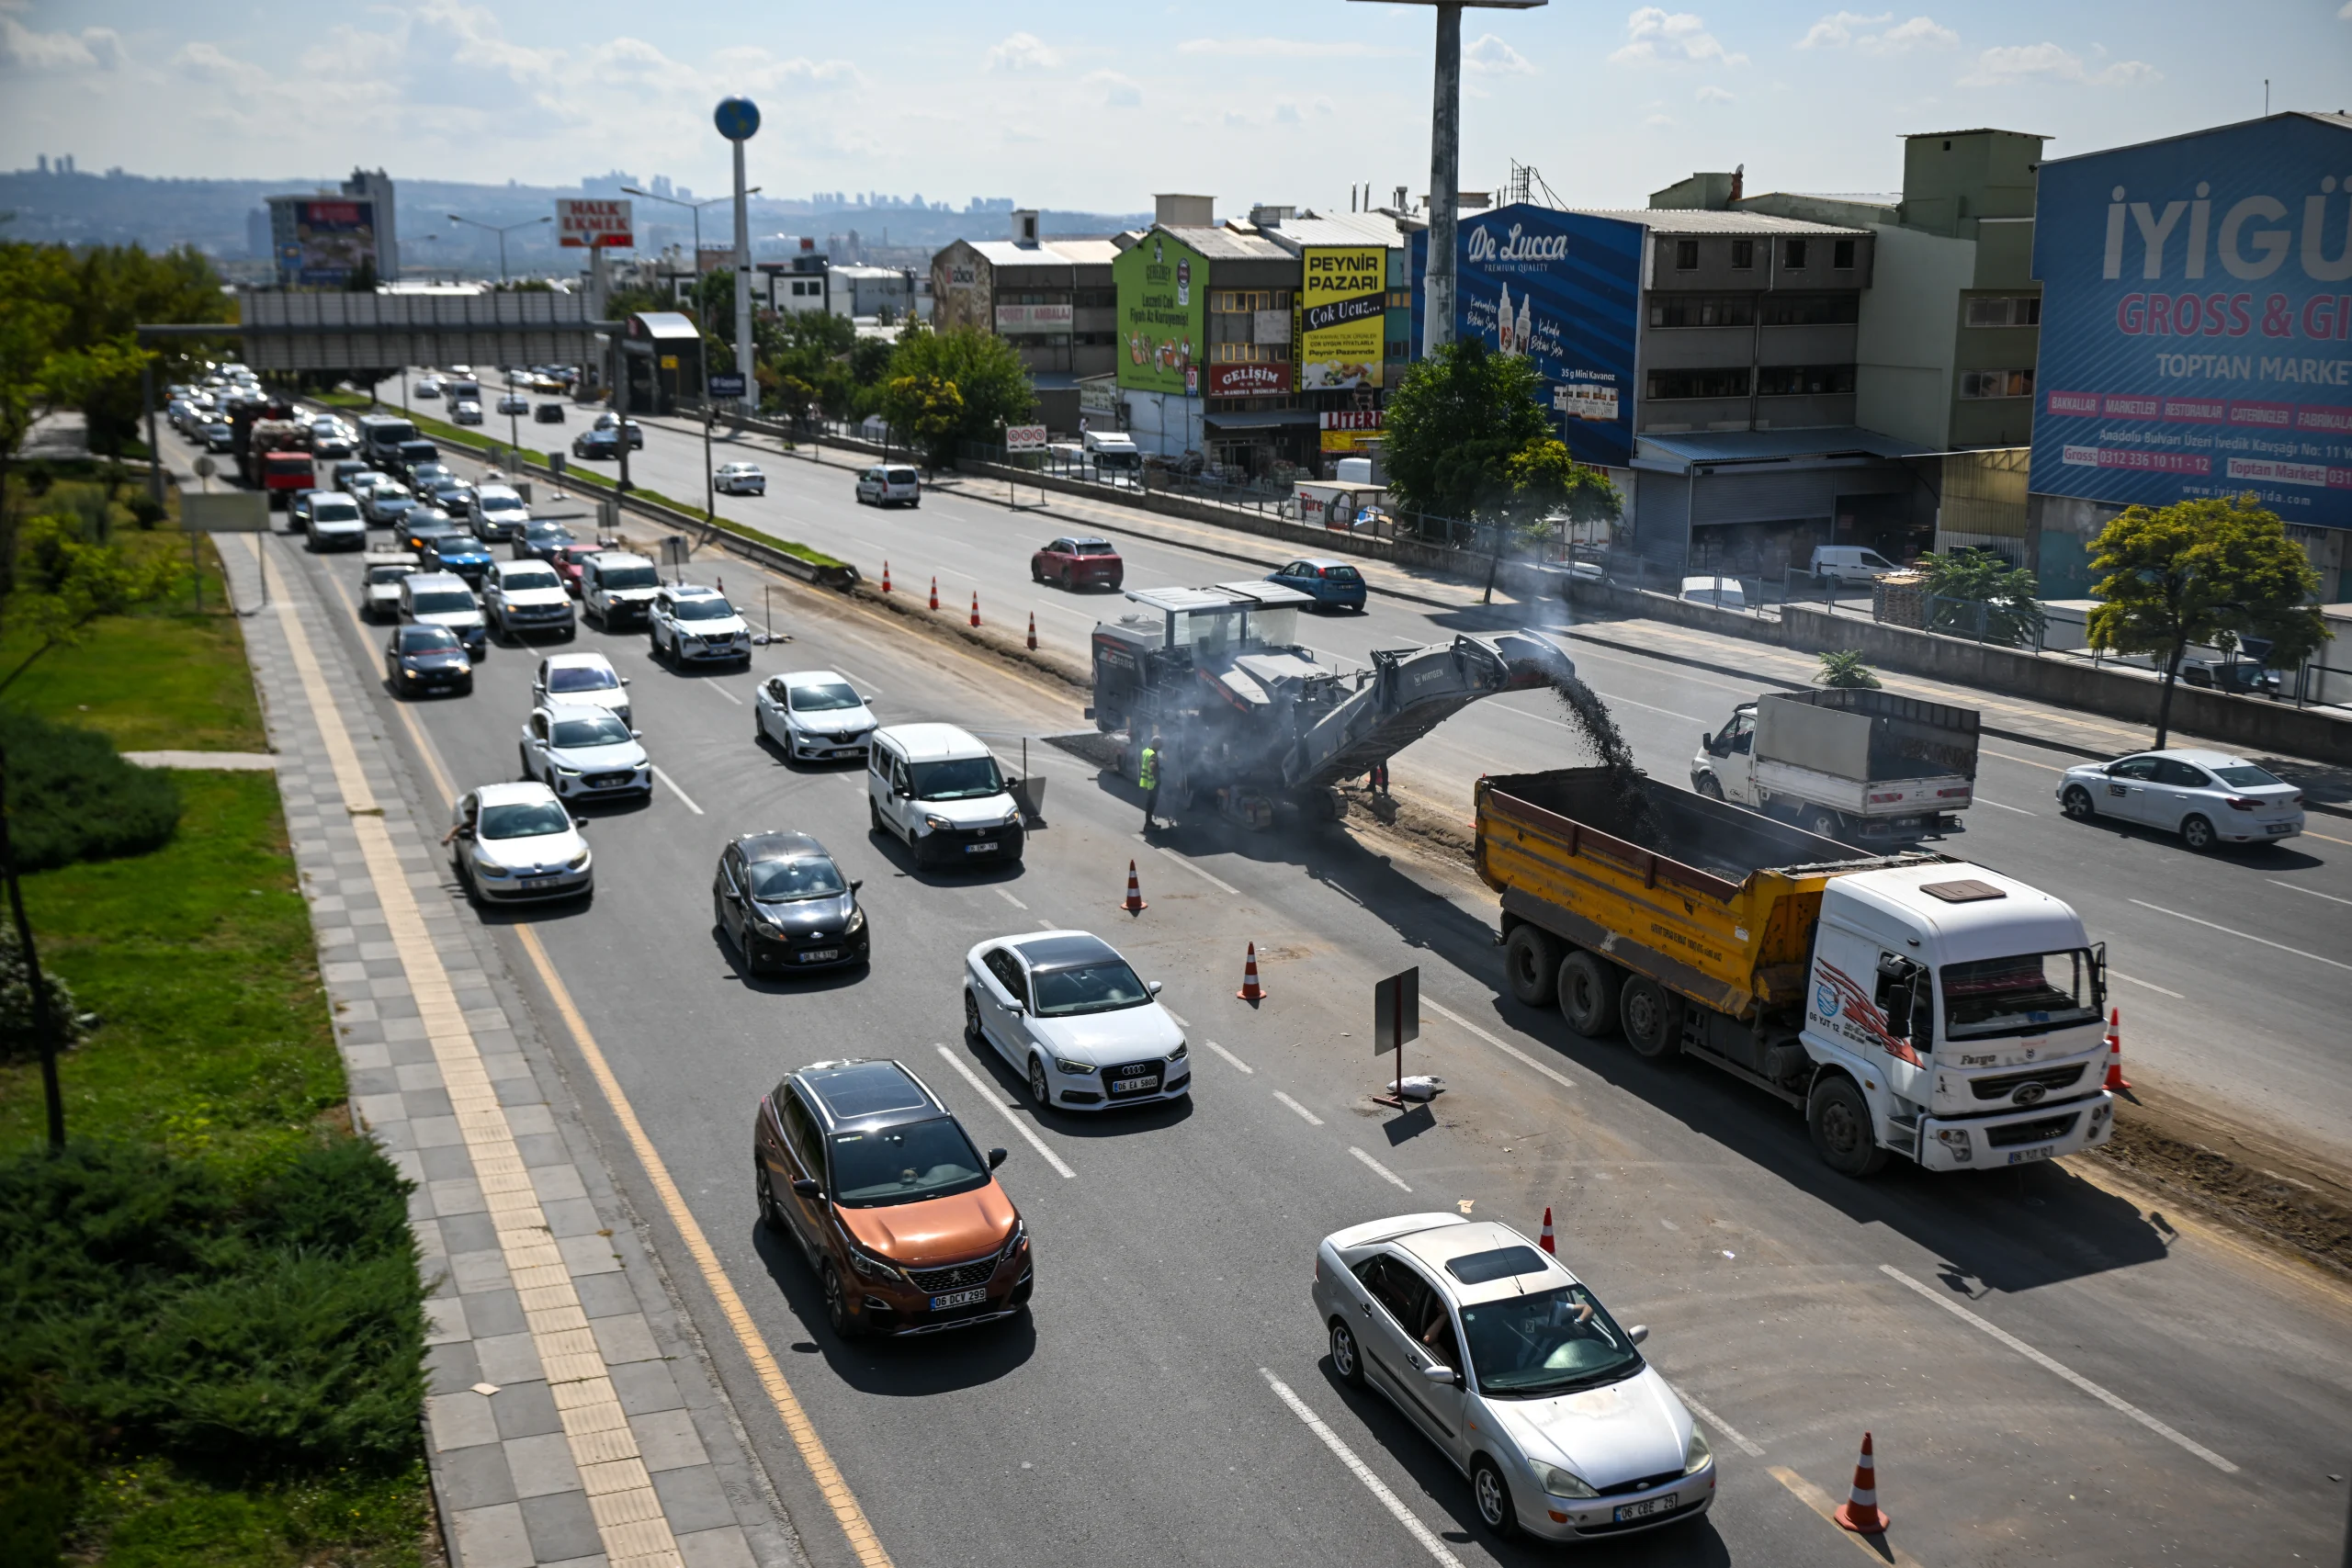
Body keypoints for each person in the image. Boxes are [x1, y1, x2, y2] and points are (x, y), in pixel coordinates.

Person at [1138, 731, 1162, 831]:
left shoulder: (1146, 751)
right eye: (1160, 744)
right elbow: (1152, 765)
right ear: (1156, 744)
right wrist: (1156, 776)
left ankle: (1148, 822)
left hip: (1146, 781)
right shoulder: (1153, 754)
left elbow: (1142, 762)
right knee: (1152, 803)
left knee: (1149, 803)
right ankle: (1148, 823)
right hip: (1152, 783)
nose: (1161, 746)